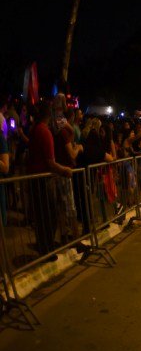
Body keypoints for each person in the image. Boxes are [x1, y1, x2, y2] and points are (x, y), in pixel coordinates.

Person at [26, 104, 75, 259]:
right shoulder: (44, 132)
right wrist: (65, 170)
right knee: (49, 215)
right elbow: (51, 162)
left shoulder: (35, 129)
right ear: (50, 115)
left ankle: (44, 247)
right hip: (43, 179)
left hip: (35, 178)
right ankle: (47, 249)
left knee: (42, 216)